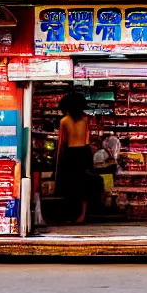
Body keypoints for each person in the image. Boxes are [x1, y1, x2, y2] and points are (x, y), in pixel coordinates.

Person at [56, 92, 94, 224]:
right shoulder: (85, 120)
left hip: (70, 153)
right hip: (84, 152)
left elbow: (62, 142)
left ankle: (71, 214)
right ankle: (83, 215)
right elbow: (87, 139)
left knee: (70, 184)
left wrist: (58, 160)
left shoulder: (64, 121)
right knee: (83, 185)